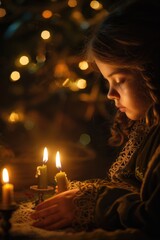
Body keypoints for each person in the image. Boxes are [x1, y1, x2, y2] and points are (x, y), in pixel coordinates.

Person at [31, 0, 160, 239]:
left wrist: (93, 203)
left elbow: (153, 216)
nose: (110, 94)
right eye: (107, 82)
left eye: (119, 80)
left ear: (151, 70)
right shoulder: (149, 125)